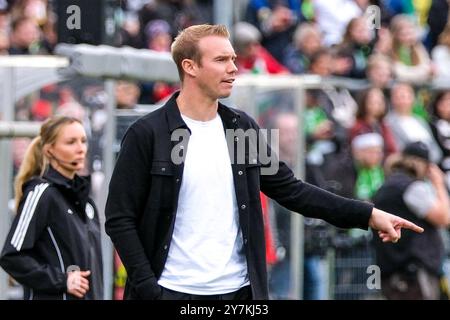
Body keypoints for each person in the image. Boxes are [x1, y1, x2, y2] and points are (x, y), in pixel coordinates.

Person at [105, 24, 424, 300]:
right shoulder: (147, 133)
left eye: (233, 59)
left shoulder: (240, 128)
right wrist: (148, 288)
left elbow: (292, 191)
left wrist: (367, 214)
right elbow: (119, 218)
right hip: (171, 291)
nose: (234, 68)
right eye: (221, 60)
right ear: (190, 67)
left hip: (239, 291)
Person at [0, 116, 103, 300]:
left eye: (83, 141)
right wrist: (62, 281)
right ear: (49, 150)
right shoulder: (41, 193)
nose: (81, 148)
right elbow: (12, 257)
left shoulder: (87, 203)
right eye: (71, 142)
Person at [372, 141, 450, 299]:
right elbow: (444, 218)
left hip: (392, 273)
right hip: (413, 274)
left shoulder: (386, 185)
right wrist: (438, 184)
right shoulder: (412, 188)